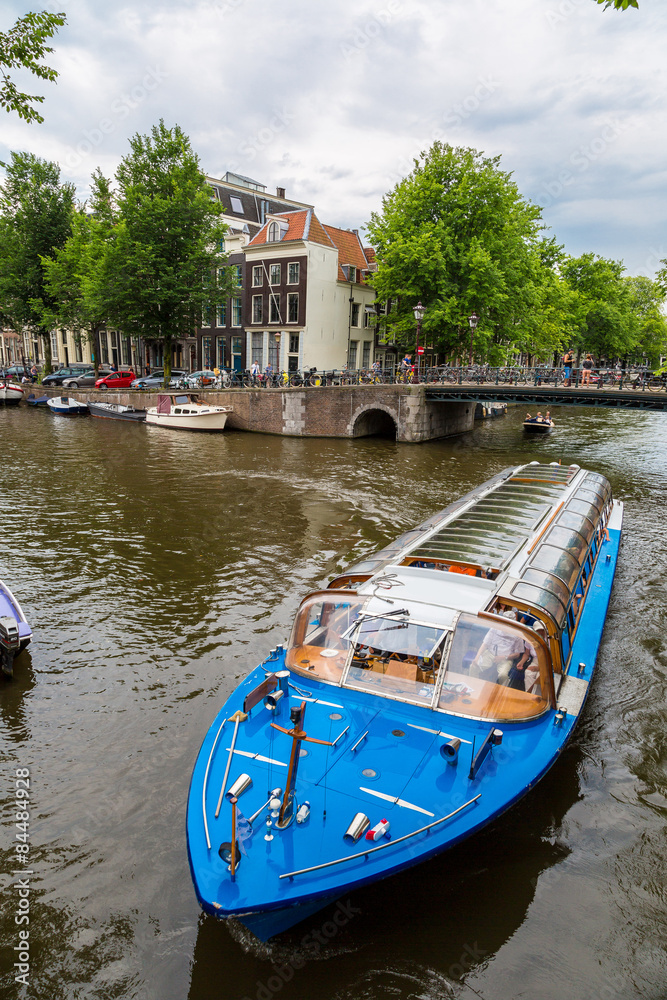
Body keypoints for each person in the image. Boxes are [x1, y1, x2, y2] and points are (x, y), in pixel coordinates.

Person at [470, 610, 531, 685]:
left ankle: (502, 693)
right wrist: (477, 657)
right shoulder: (495, 628)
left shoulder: (517, 634)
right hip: (490, 653)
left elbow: (517, 654)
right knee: (473, 667)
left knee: (503, 675)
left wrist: (503, 657)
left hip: (506, 658)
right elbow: (485, 644)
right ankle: (473, 686)